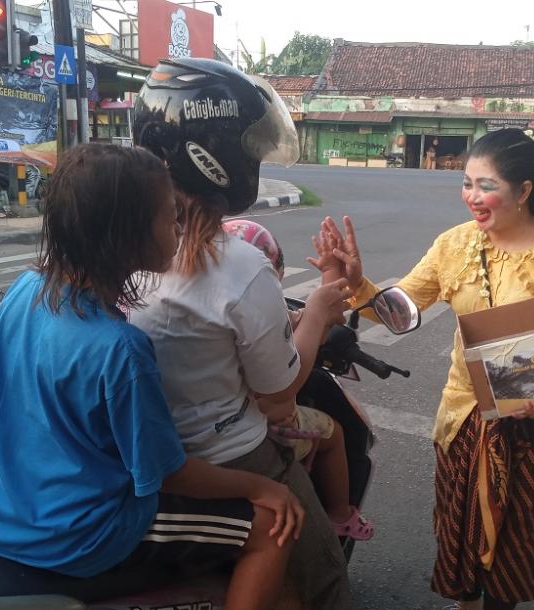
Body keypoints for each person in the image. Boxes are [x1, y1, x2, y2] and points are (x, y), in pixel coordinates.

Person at [0, 143, 303, 610]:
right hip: (79, 535)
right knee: (272, 528)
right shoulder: (120, 349)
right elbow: (168, 474)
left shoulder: (24, 291)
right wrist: (263, 486)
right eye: (169, 217)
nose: (180, 228)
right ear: (128, 235)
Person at [317, 128, 534, 610]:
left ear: (524, 191)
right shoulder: (454, 245)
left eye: (485, 185)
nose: (471, 196)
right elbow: (402, 311)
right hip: (466, 414)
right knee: (461, 526)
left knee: (520, 536)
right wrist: (358, 285)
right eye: (467, 182)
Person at [129, 58, 351, 609]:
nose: (253, 156)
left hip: (136, 458)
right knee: (325, 585)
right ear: (215, 153)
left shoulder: (120, 247)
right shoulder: (241, 265)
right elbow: (278, 395)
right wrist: (319, 310)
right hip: (226, 456)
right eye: (249, 145)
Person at [223, 218, 375, 541]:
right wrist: (330, 278)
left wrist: (331, 275)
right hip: (271, 427)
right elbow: (314, 329)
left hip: (218, 430)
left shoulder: (206, 301)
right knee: (334, 436)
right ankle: (340, 514)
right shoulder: (271, 309)